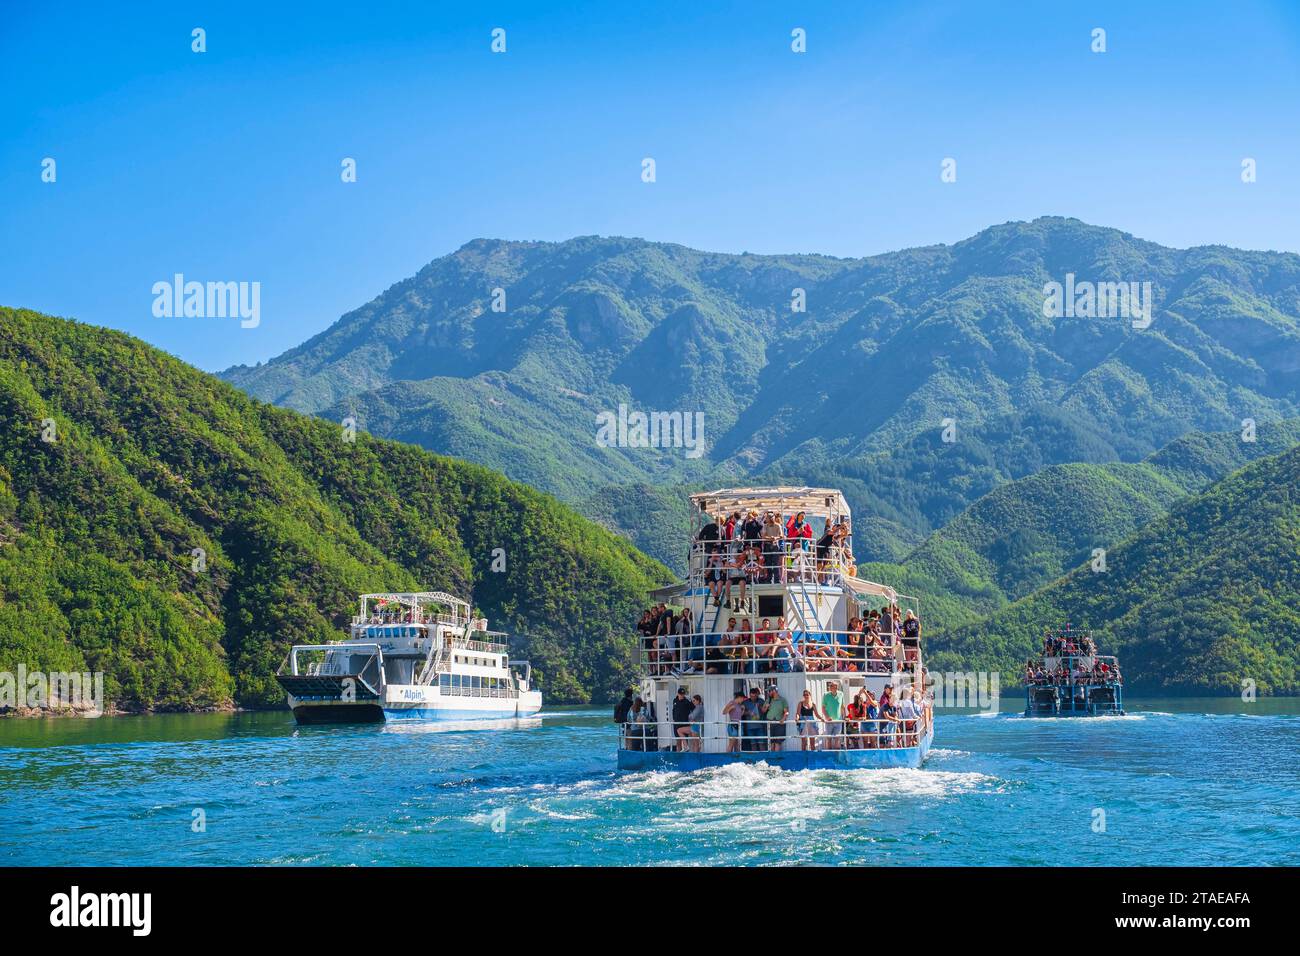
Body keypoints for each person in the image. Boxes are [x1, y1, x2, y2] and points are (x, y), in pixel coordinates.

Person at [764, 685, 789, 752]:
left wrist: (783, 719)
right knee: (770, 741)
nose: (768, 693)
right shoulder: (768, 700)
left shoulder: (782, 700)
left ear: (774, 691)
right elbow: (763, 711)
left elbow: (786, 712)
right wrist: (766, 707)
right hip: (769, 722)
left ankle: (776, 757)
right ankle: (770, 758)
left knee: (778, 742)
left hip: (779, 722)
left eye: (769, 691)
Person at [740, 686, 766, 752]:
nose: (753, 698)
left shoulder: (761, 701)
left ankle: (762, 759)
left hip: (760, 726)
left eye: (754, 696)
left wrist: (760, 707)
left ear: (757, 695)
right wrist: (748, 712)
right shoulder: (745, 702)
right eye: (751, 696)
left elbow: (765, 711)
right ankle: (754, 760)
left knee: (761, 744)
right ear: (749, 695)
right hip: (750, 727)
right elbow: (741, 712)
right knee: (753, 744)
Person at [822, 681, 845, 750]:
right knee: (828, 738)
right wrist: (827, 717)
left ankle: (836, 756)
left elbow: (842, 707)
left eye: (833, 686)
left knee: (837, 738)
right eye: (830, 686)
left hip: (838, 720)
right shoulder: (826, 695)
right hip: (829, 721)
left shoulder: (841, 694)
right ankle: (829, 755)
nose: (831, 687)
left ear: (836, 687)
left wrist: (844, 717)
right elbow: (823, 708)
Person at [671, 686, 694, 752]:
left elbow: (693, 708)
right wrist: (673, 718)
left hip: (684, 723)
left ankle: (686, 754)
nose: (682, 696)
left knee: (685, 741)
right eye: (681, 694)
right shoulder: (675, 700)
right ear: (678, 694)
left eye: (683, 694)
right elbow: (673, 710)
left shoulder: (686, 702)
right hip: (676, 723)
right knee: (678, 741)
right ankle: (678, 755)